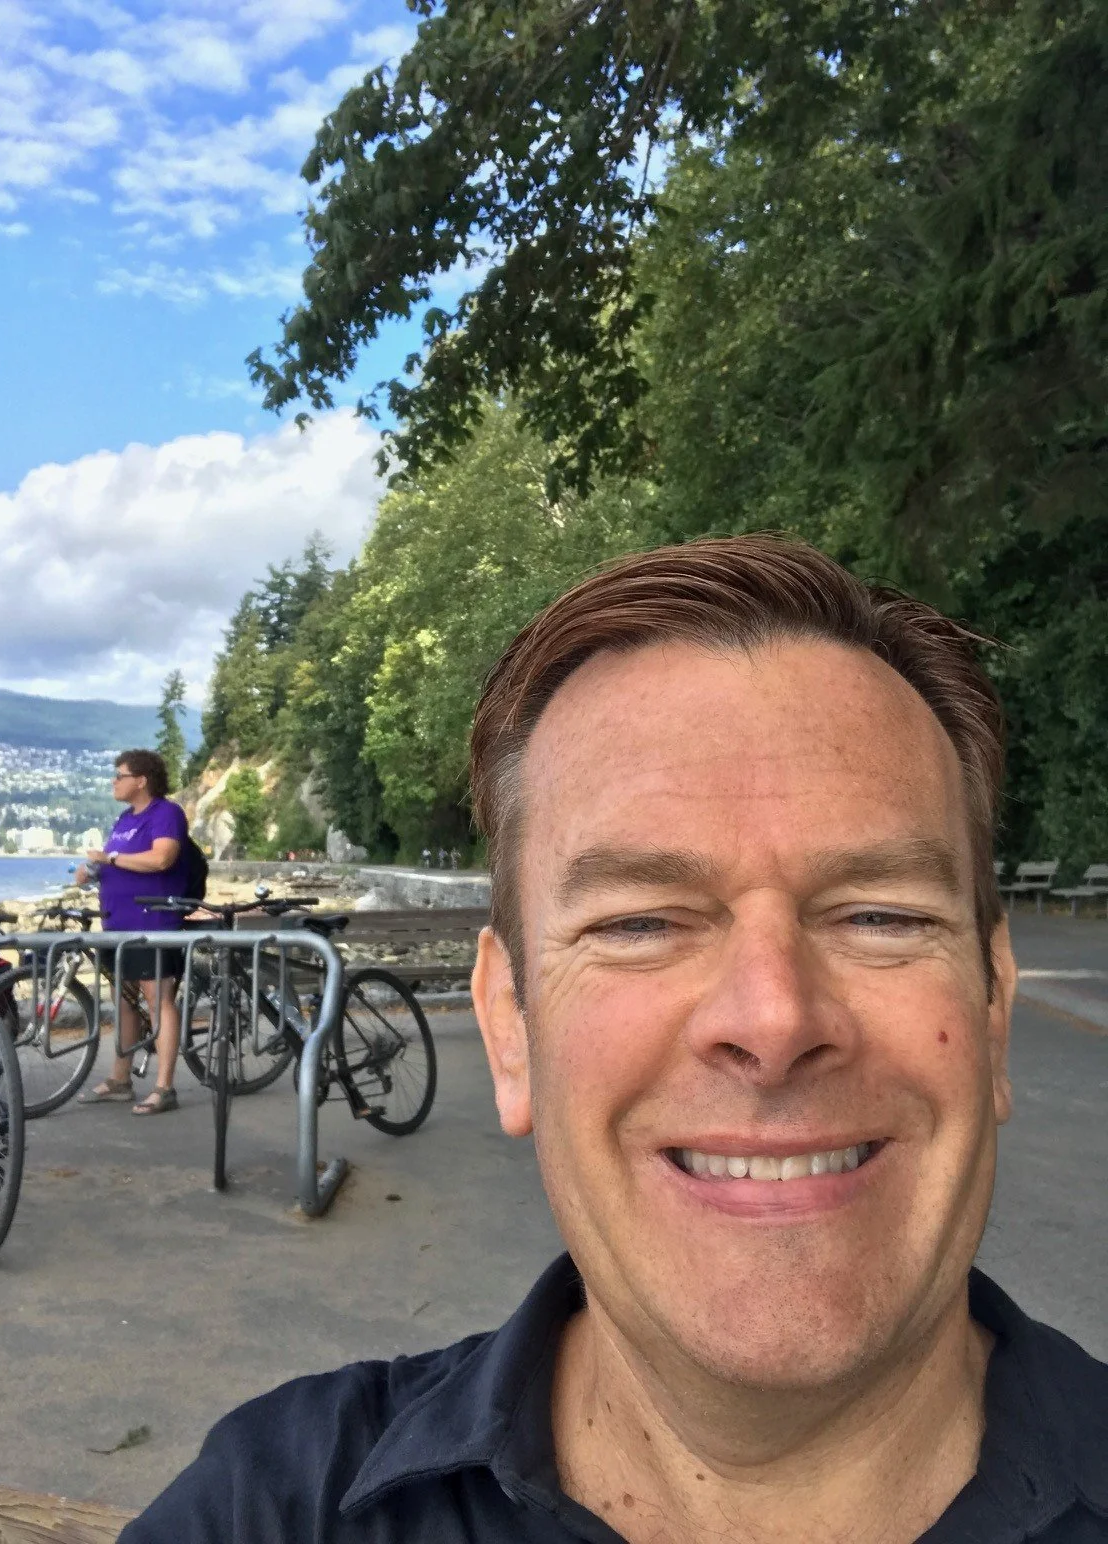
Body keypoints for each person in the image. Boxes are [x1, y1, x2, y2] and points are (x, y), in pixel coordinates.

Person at [121, 537, 1108, 1542]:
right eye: (637, 922)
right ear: (510, 1025)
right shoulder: (272, 1511)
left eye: (879, 915)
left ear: (991, 1011)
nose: (771, 1018)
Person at [76, 748, 191, 1116]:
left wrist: (109, 859)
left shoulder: (165, 813)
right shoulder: (125, 819)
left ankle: (164, 1086)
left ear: (141, 780)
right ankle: (120, 1079)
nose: (114, 780)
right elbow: (118, 863)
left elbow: (161, 858)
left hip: (152, 922)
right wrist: (90, 873)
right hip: (118, 923)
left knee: (159, 1000)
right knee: (123, 1000)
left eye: (119, 774)